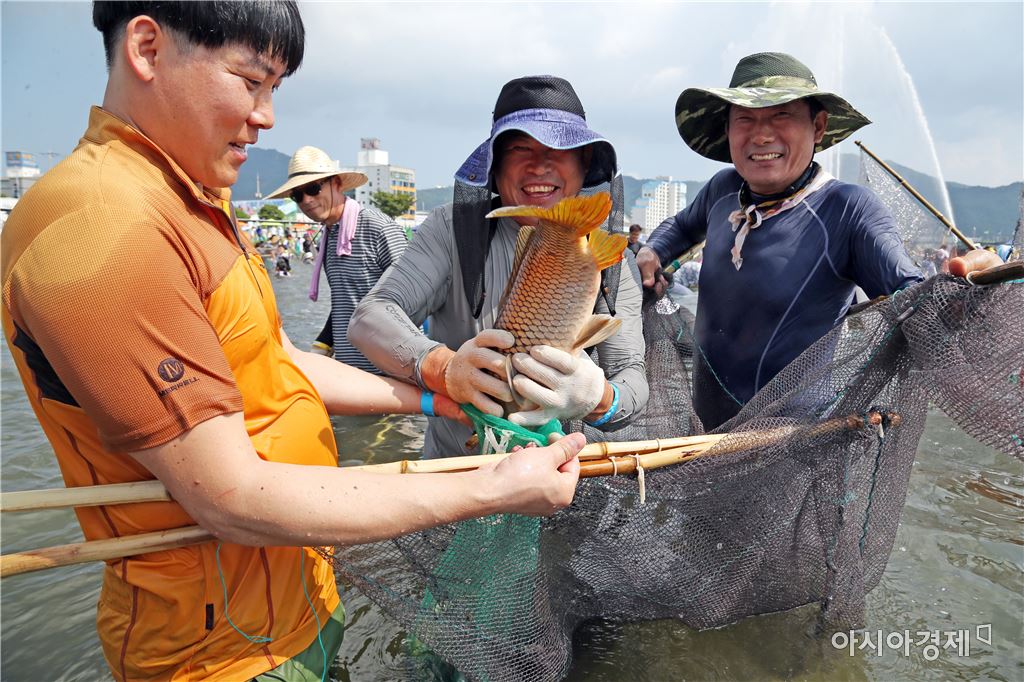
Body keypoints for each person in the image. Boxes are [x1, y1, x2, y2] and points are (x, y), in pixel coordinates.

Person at [0, 4, 585, 680]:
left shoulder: (192, 201)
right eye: (250, 81)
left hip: (296, 595)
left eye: (274, 87)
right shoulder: (103, 227)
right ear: (148, 47)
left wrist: (435, 396)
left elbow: (275, 360)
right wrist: (491, 490)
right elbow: (232, 498)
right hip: (222, 649)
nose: (267, 116)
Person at [637, 52, 1002, 430]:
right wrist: (653, 251)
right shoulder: (723, 189)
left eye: (781, 115)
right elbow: (682, 226)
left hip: (790, 438)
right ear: (728, 129)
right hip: (701, 429)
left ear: (819, 126)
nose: (761, 135)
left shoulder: (847, 209)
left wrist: (977, 294)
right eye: (745, 118)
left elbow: (913, 299)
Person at [350, 75, 649, 458]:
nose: (539, 165)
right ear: (495, 163)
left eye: (560, 148)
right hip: (452, 475)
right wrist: (444, 368)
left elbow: (632, 377)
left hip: (560, 472)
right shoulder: (451, 229)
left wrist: (599, 397)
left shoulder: (609, 258)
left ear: (584, 161)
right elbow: (370, 316)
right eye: (520, 148)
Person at [266, 145, 407, 373]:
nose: (306, 200)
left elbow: (415, 295)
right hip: (350, 367)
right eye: (297, 195)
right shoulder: (330, 236)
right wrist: (321, 345)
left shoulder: (378, 227)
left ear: (337, 183)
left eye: (313, 188)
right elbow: (347, 302)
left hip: (392, 369)